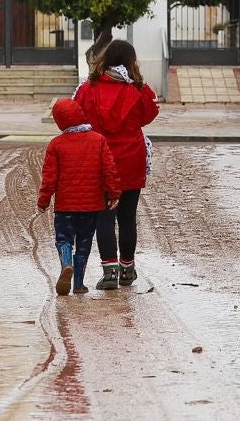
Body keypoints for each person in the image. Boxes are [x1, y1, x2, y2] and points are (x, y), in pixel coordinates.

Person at [75, 38, 159, 290]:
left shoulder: (87, 89)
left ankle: (109, 272)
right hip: (131, 160)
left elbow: (77, 116)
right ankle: (127, 269)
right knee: (127, 218)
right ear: (131, 62)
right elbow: (150, 114)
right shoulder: (139, 90)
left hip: (100, 160)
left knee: (104, 217)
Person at [37, 97, 120, 296]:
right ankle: (79, 285)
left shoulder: (56, 145)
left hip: (65, 206)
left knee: (64, 239)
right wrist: (114, 192)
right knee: (84, 243)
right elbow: (109, 169)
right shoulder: (98, 140)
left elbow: (50, 177)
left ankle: (66, 263)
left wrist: (44, 200)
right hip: (91, 206)